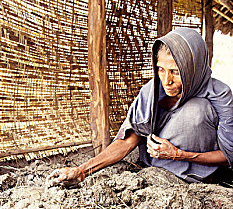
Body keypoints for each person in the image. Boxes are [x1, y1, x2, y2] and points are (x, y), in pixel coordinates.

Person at [47, 27, 233, 186]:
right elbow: (128, 140)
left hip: (202, 176)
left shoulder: (220, 96)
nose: (166, 81)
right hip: (156, 171)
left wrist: (179, 154)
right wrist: (81, 171)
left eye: (175, 72)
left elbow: (228, 155)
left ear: (193, 68)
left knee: (197, 109)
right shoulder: (151, 92)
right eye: (161, 69)